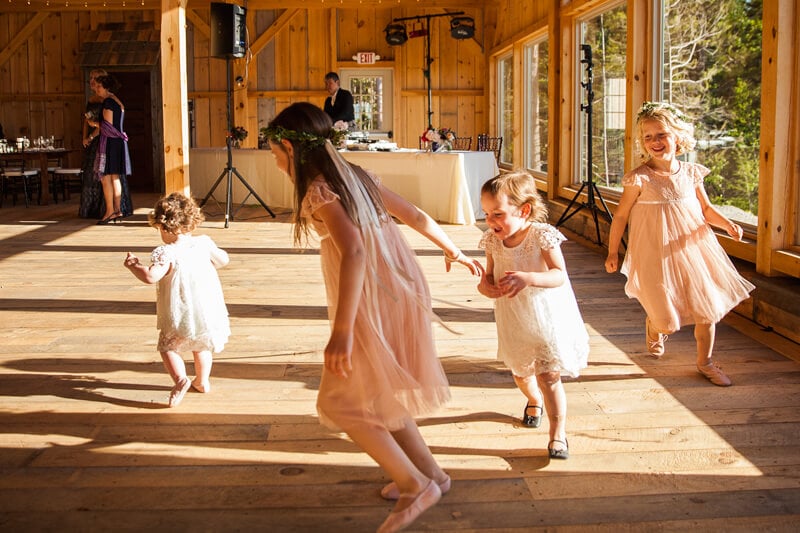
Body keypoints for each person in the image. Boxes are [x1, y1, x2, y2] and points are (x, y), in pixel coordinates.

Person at [262, 102, 483, 533]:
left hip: (374, 296)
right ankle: (432, 476)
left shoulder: (318, 190)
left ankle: (413, 484)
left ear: (290, 146)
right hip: (401, 285)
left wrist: (341, 331)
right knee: (378, 392)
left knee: (338, 403)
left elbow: (355, 252)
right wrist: (451, 249)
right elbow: (415, 215)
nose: (274, 161)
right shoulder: (354, 176)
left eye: (275, 152)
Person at [604, 101, 755, 386]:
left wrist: (729, 225)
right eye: (648, 137)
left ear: (676, 135)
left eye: (661, 134)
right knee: (668, 323)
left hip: (693, 247)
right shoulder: (639, 177)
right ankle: (654, 326)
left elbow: (707, 209)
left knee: (706, 308)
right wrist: (614, 251)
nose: (655, 142)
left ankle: (705, 362)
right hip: (654, 251)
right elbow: (621, 215)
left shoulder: (691, 172)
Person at [477, 171, 589, 460]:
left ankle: (557, 433)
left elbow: (559, 275)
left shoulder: (541, 235)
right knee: (521, 372)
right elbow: (488, 276)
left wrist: (528, 277)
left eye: (498, 214)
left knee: (549, 374)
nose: (490, 221)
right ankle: (532, 399)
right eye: (487, 213)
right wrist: (486, 286)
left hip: (545, 315)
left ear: (524, 209)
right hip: (514, 315)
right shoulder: (492, 241)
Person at [123, 192, 230, 407]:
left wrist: (134, 265)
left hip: (179, 311)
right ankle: (202, 381)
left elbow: (151, 276)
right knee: (201, 346)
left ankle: (181, 379)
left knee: (168, 347)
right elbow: (223, 260)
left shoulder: (165, 252)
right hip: (205, 308)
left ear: (163, 227)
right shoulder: (204, 243)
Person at [92, 74, 133, 224]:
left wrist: (94, 124)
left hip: (110, 142)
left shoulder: (108, 102)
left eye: (99, 86)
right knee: (114, 177)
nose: (96, 89)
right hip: (118, 143)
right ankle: (117, 210)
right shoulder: (116, 100)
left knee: (106, 177)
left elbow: (108, 127)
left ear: (106, 88)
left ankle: (110, 211)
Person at [78, 69, 107, 219]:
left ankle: (104, 208)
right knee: (90, 174)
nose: (92, 81)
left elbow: (104, 124)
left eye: (95, 78)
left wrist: (90, 136)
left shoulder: (106, 99)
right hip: (90, 139)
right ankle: (90, 208)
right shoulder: (91, 99)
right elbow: (85, 121)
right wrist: (84, 137)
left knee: (101, 173)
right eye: (90, 78)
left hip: (102, 138)